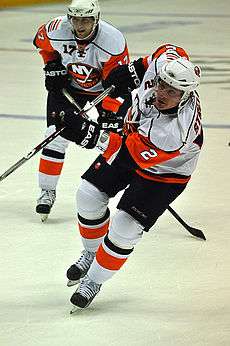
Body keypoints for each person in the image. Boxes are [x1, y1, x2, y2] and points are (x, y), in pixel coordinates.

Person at [54, 43, 203, 310]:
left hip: (165, 172)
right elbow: (169, 48)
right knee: (88, 194)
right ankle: (91, 253)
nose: (161, 93)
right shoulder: (165, 65)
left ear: (186, 96)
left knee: (124, 228)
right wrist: (137, 68)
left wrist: (87, 134)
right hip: (135, 140)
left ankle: (94, 280)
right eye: (161, 84)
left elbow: (126, 156)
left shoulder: (175, 133)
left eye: (171, 92)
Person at [33, 0, 130, 221]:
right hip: (68, 88)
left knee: (116, 140)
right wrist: (51, 64)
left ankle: (110, 195)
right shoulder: (56, 29)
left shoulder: (112, 40)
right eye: (76, 19)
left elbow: (116, 84)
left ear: (96, 19)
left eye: (86, 19)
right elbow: (40, 42)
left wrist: (108, 116)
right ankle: (46, 191)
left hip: (106, 91)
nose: (80, 24)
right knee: (54, 136)